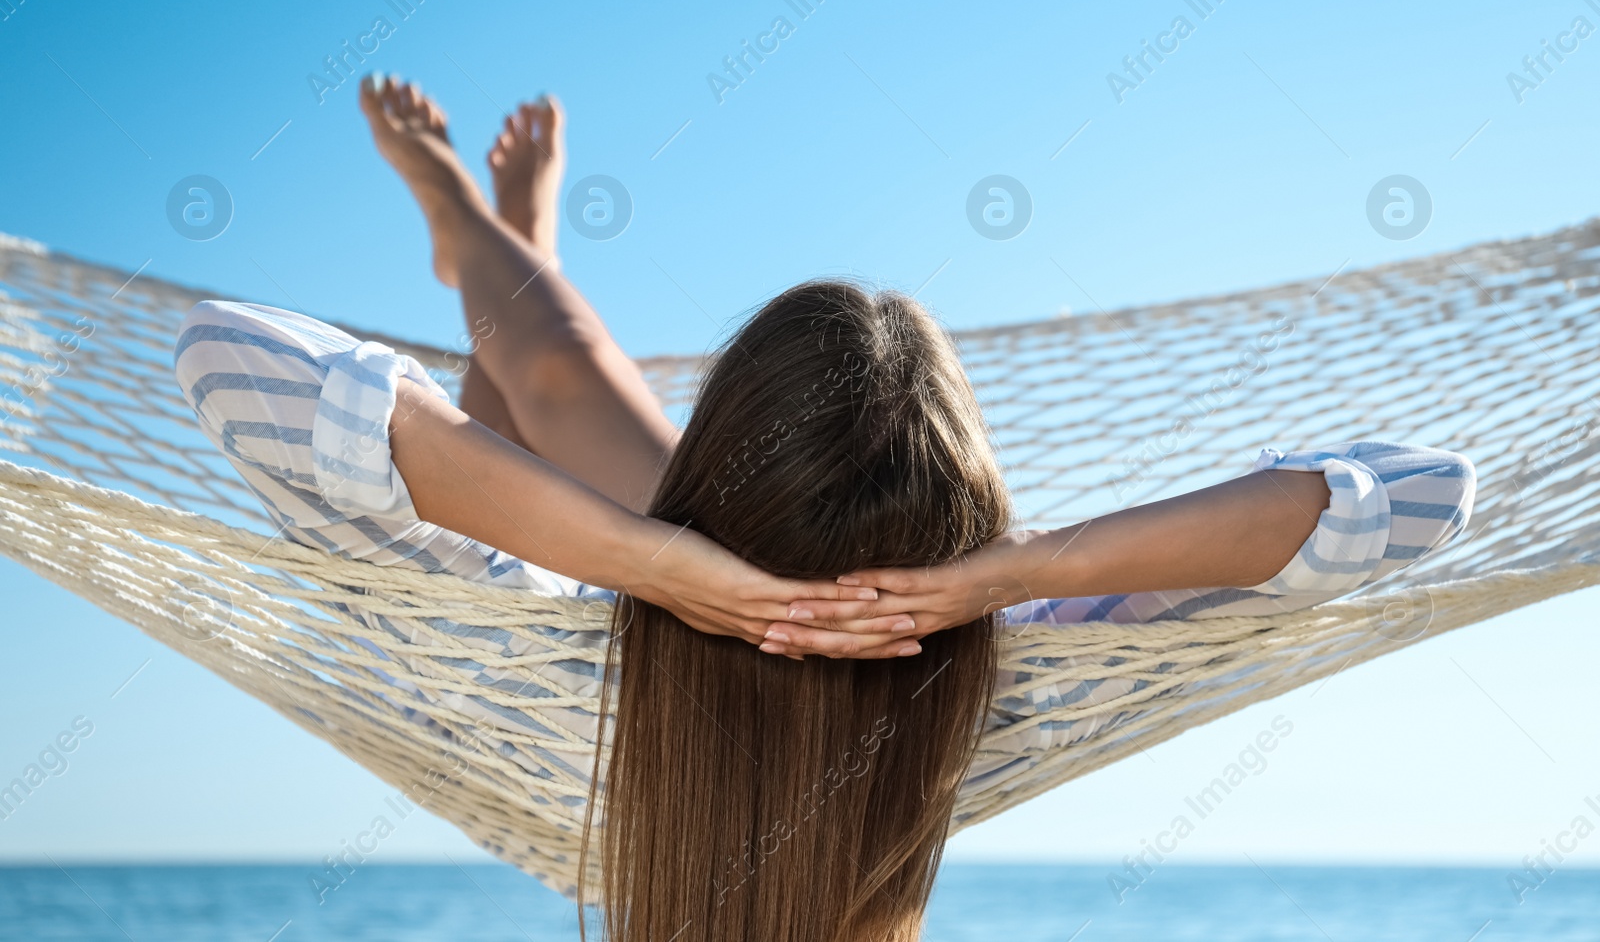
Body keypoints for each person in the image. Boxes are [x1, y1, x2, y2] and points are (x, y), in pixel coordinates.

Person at [174, 76, 1475, 942]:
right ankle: (494, 240)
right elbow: (1418, 500)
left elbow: (227, 358)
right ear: (963, 540)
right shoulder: (1009, 684)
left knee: (546, 392)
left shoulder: (541, 666)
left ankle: (480, 238)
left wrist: (652, 560)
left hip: (570, 723)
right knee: (553, 385)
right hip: (638, 689)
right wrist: (1010, 579)